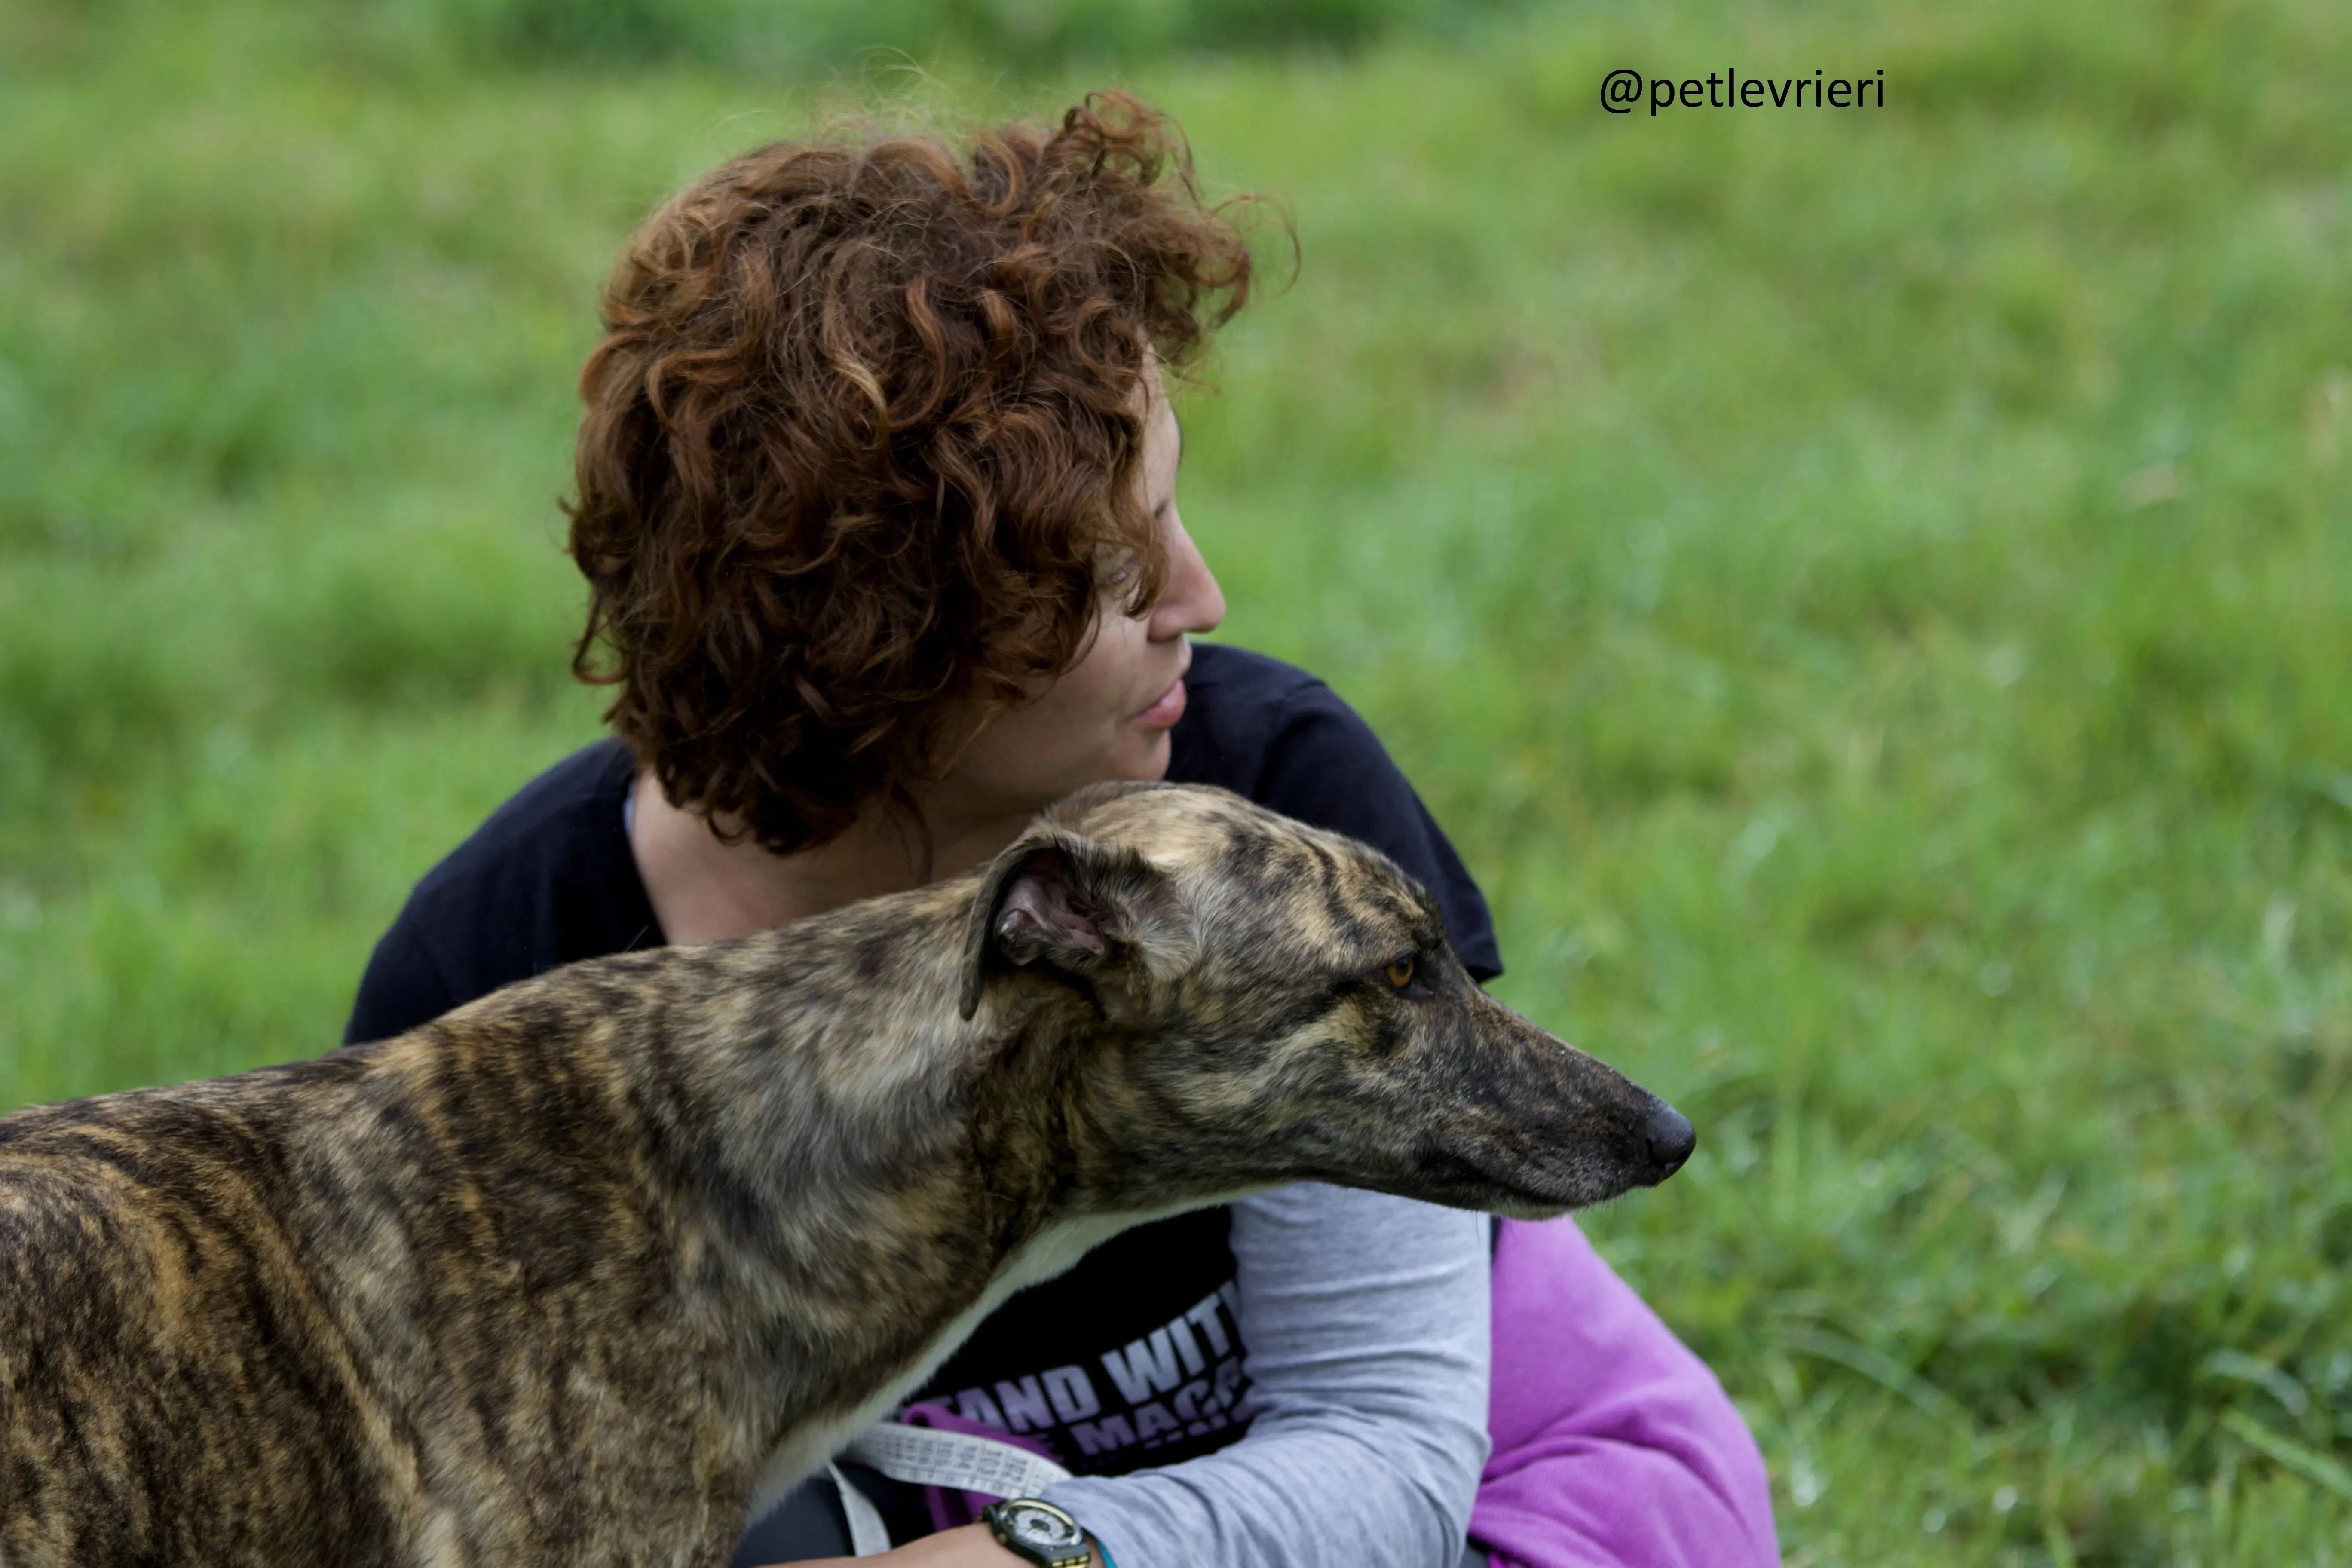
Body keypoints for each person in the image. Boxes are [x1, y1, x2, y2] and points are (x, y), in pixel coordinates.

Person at [344, 94, 1775, 1568]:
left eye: (1175, 512)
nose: (1202, 601)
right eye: (1114, 574)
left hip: (1477, 1509)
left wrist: (1034, 1558)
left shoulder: (1262, 798)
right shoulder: (499, 978)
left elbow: (1384, 1453)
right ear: (888, 647)